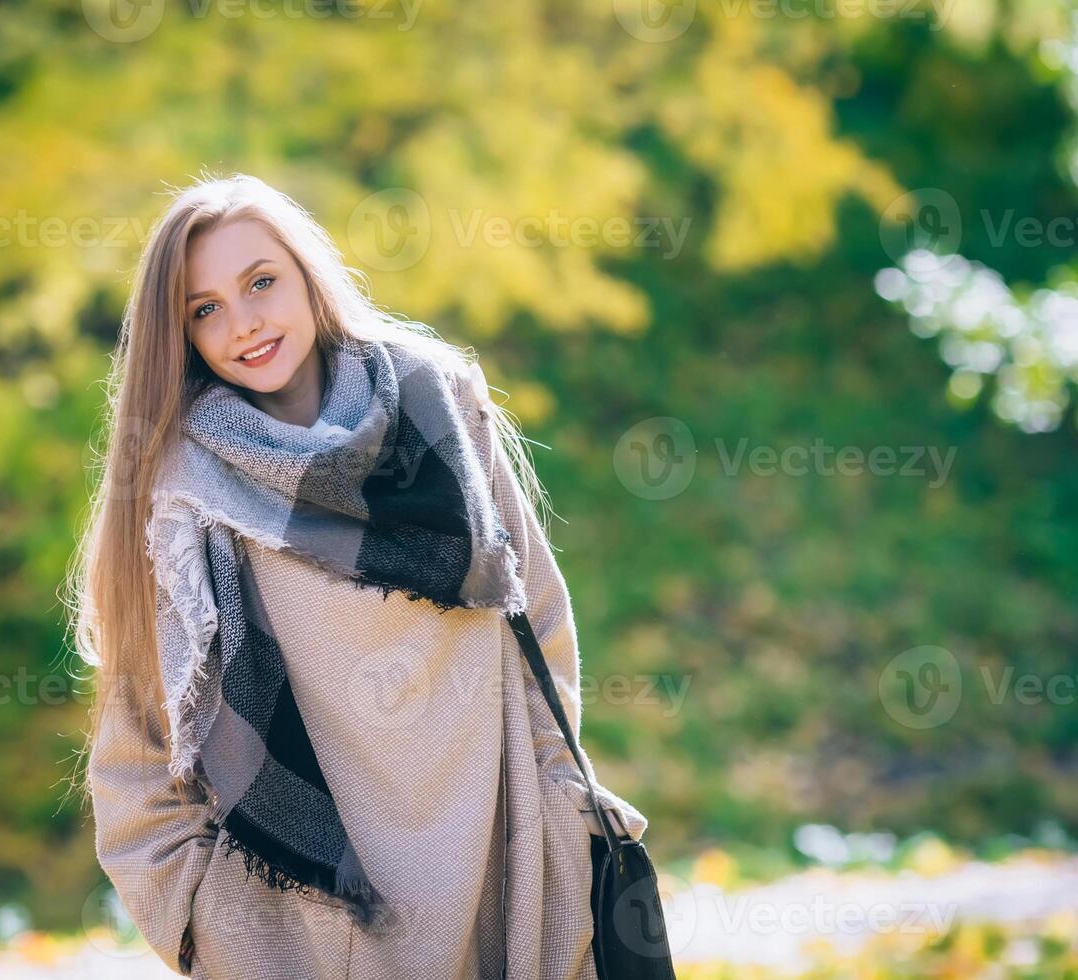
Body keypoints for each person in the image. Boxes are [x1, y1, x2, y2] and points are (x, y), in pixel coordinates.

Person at [69, 172, 648, 979]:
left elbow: (536, 621)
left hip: (503, 879)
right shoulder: (175, 497)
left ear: (308, 274)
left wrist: (557, 802)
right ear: (185, 336)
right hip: (304, 932)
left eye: (260, 283)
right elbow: (135, 756)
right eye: (205, 309)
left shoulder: (434, 403)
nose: (244, 324)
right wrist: (208, 926)